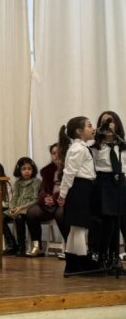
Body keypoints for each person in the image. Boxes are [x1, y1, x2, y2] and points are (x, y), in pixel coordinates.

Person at [58, 116, 99, 274]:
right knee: (80, 227)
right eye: (89, 126)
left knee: (75, 228)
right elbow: (69, 172)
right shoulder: (78, 149)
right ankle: (83, 262)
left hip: (81, 188)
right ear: (79, 131)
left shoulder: (79, 147)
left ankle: (71, 264)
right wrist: (63, 193)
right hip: (80, 189)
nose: (93, 128)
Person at [90, 111, 126, 269]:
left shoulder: (122, 146)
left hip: (120, 183)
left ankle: (114, 256)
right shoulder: (95, 147)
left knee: (118, 221)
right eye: (104, 122)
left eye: (111, 121)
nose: (108, 125)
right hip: (103, 183)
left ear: (117, 124)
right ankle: (103, 255)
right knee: (108, 222)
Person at [25, 143, 69, 258]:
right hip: (50, 204)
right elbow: (42, 190)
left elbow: (69, 189)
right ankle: (37, 246)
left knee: (60, 214)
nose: (56, 156)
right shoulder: (47, 170)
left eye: (58, 153)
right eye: (53, 153)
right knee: (31, 212)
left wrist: (53, 199)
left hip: (64, 202)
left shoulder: (69, 169)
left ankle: (69, 248)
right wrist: (45, 198)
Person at [2, 157, 41, 257]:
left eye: (29, 169)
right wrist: (12, 208)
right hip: (17, 208)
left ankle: (21, 247)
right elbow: (14, 198)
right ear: (19, 170)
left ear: (33, 170)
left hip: (28, 208)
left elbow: (36, 199)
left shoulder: (36, 182)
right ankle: (11, 244)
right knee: (0, 217)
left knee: (19, 217)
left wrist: (21, 208)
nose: (27, 171)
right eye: (24, 169)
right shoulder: (17, 183)